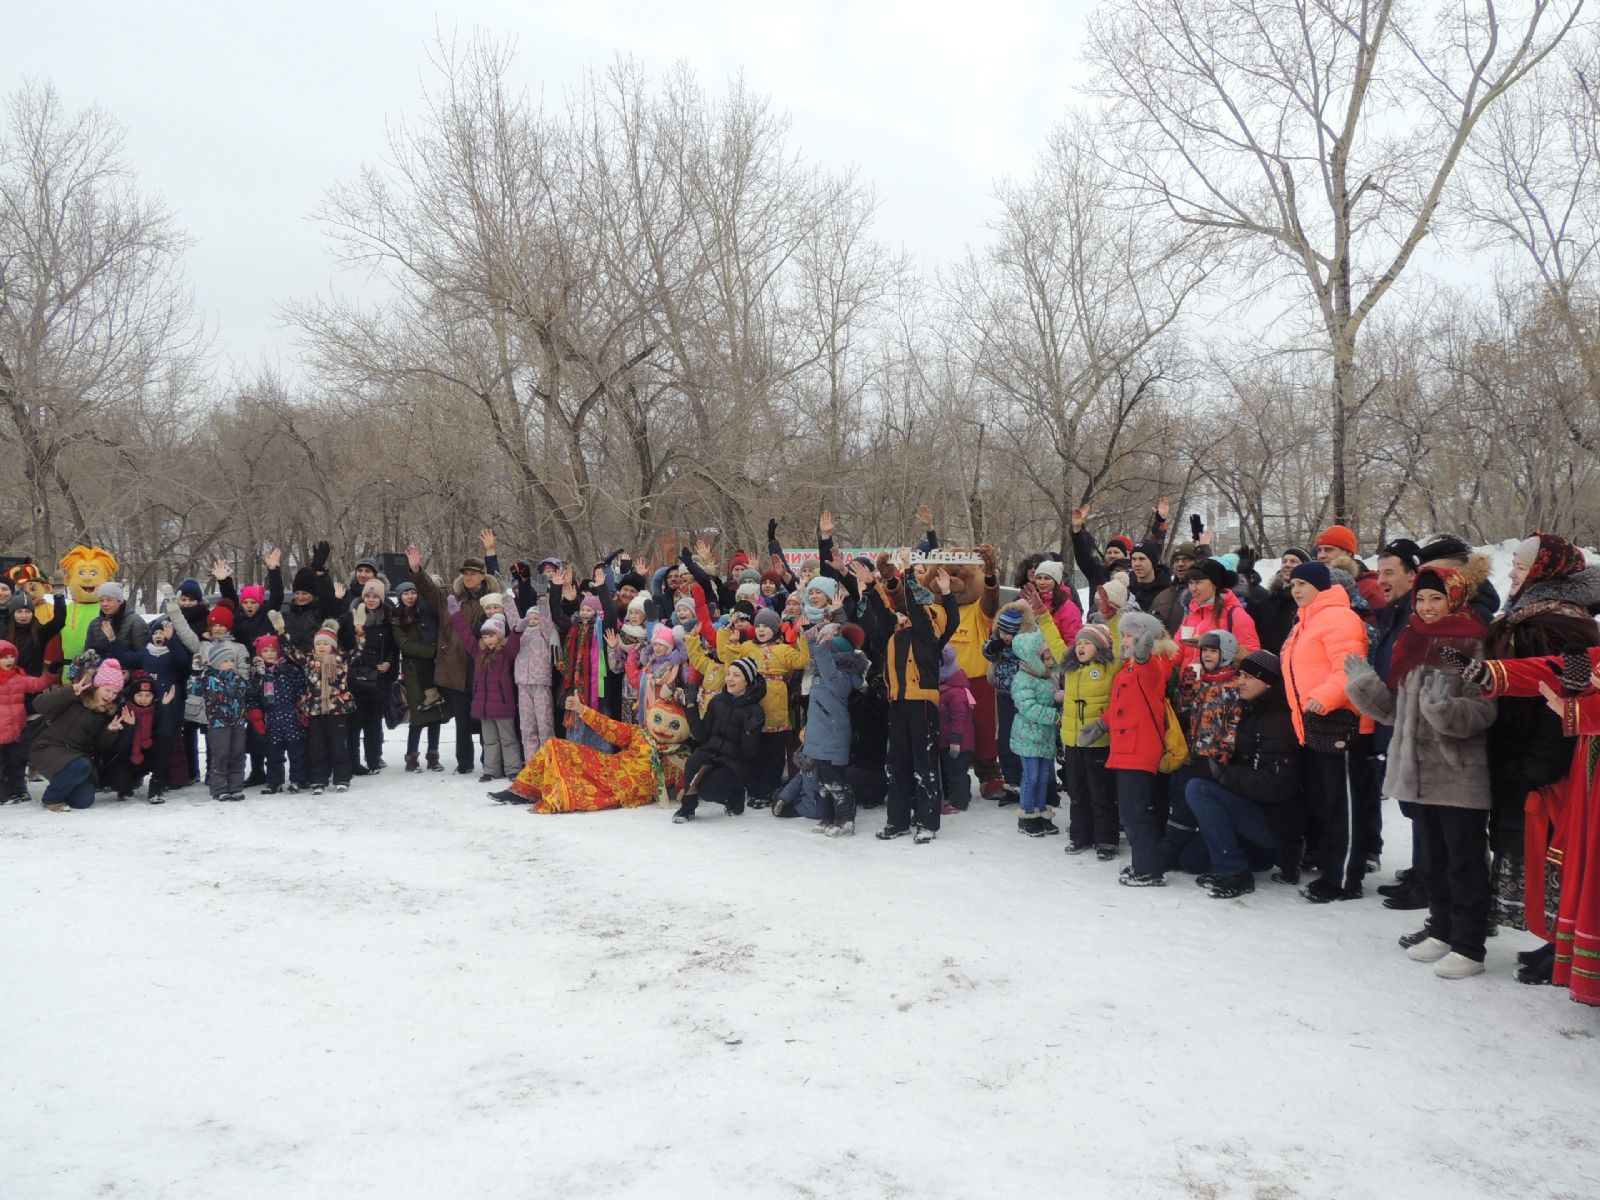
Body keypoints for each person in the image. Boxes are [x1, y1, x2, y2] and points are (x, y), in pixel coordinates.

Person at [1345, 565, 1496, 979]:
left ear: (1455, 598)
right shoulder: (1412, 639)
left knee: (1464, 863)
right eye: (1423, 599)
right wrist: (1364, 687)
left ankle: (1469, 945)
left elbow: (1485, 710)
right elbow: (1396, 710)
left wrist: (1445, 711)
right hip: (1416, 774)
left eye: (1437, 599)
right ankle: (1443, 929)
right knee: (1432, 861)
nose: (1428, 607)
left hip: (1457, 773)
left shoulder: (1473, 641)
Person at [1480, 533, 1600, 984]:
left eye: (1522, 565)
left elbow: (1562, 692)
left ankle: (1562, 944)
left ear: (1547, 571)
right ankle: (1554, 940)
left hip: (1547, 759)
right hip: (1516, 749)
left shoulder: (1562, 624)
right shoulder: (1526, 613)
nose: (1512, 573)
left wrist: (1539, 765)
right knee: (1529, 848)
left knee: (1554, 851)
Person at [1280, 561, 1374, 902]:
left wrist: (1323, 697)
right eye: (1293, 585)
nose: (1296, 590)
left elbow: (1350, 668)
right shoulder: (1304, 622)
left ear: (1322, 585)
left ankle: (1345, 879)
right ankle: (1333, 867)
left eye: (1303, 583)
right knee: (1328, 802)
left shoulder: (1339, 618)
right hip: (1314, 723)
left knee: (1343, 804)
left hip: (1341, 722)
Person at [857, 556, 960, 843]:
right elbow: (882, 610)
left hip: (922, 704)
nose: (905, 617)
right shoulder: (895, 633)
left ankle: (927, 821)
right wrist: (870, 585)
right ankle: (898, 820)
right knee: (897, 763)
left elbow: (917, 609)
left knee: (924, 763)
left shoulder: (927, 634)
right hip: (897, 703)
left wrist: (909, 576)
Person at [1186, 650, 1304, 898]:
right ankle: (1258, 856)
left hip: (1275, 820)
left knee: (1199, 789)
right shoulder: (1250, 711)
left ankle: (1235, 873)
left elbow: (1277, 785)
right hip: (1254, 810)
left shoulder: (1279, 721)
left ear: (1268, 683)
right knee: (1191, 861)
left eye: (1249, 676)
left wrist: (1220, 774)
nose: (1240, 681)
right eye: (1240, 674)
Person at [407, 535, 503, 775]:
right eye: (466, 573)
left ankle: (489, 762)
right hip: (455, 667)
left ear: (482, 575)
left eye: (474, 573)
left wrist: (491, 552)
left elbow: (502, 585)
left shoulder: (491, 599)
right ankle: (464, 762)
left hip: (485, 667)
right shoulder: (449, 596)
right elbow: (428, 588)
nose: (469, 577)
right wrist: (417, 570)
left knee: (484, 718)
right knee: (461, 719)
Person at [1096, 611, 1180, 886]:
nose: (1125, 640)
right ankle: (1146, 862)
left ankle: (1148, 869)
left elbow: (1152, 672)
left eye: (1131, 634)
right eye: (1124, 634)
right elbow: (1122, 706)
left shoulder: (1152, 664)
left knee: (1135, 812)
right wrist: (1101, 724)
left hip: (1139, 749)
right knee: (1135, 811)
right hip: (1125, 748)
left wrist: (1143, 655)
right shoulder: (1128, 668)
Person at [30, 656, 129, 811]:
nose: (110, 696)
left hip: (74, 755)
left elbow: (98, 747)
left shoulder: (108, 713)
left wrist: (109, 731)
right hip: (47, 747)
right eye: (107, 690)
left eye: (115, 692)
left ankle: (63, 781)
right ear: (97, 686)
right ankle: (52, 799)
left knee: (83, 800)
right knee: (81, 765)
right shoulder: (76, 695)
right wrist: (68, 692)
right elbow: (38, 705)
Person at [675, 658, 766, 822]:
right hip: (710, 752)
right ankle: (687, 809)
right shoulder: (717, 701)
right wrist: (690, 706)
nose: (729, 679)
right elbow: (701, 735)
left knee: (707, 791)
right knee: (692, 763)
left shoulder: (754, 710)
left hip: (734, 761)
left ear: (747, 681)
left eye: (736, 675)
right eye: (729, 674)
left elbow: (748, 753)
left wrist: (749, 732)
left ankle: (735, 796)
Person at [447, 598, 524, 784]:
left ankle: (513, 769)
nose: (488, 639)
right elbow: (465, 634)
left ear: (499, 636)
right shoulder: (477, 652)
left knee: (508, 739)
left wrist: (517, 630)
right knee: (489, 741)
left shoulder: (505, 653)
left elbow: (514, 642)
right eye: (486, 636)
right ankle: (491, 770)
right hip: (484, 708)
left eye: (492, 635)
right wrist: (456, 615)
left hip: (503, 707)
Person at [1060, 622, 1119, 859]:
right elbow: (1055, 643)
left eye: (1087, 643)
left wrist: (1111, 616)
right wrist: (1043, 616)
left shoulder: (1110, 667)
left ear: (1100, 646)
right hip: (1073, 742)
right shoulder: (1071, 668)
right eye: (1079, 643)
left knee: (1101, 792)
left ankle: (1106, 839)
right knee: (1077, 792)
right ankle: (1080, 835)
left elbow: (1117, 643)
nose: (1081, 647)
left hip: (1098, 742)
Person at [1009, 629, 1061, 837]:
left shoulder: (1048, 677)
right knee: (1031, 776)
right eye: (1045, 658)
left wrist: (1059, 698)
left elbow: (1050, 697)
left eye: (1050, 657)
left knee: (1044, 777)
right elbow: (1028, 707)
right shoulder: (1022, 679)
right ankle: (1027, 815)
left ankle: (1040, 812)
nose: (1050, 662)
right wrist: (1054, 716)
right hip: (1028, 737)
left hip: (1045, 736)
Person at [392, 580, 447, 772]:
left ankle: (433, 756)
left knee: (435, 715)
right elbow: (404, 644)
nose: (410, 596)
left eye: (413, 593)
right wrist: (431, 652)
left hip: (433, 670)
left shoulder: (427, 613)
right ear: (400, 596)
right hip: (414, 672)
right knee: (418, 717)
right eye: (405, 593)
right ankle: (411, 758)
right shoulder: (397, 617)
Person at [983, 602, 1035, 806]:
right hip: (1004, 693)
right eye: (1002, 631)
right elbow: (987, 650)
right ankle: (1011, 782)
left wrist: (1014, 644)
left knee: (1022, 740)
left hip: (1024, 696)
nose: (1005, 636)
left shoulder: (1028, 641)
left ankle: (1028, 782)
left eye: (1009, 633)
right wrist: (993, 647)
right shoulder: (998, 640)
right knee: (1004, 739)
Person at [348, 579, 399, 775]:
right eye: (367, 596)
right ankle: (353, 761)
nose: (370, 600)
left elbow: (394, 647)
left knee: (374, 721)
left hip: (379, 677)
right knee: (355, 722)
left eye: (375, 596)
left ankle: (373, 758)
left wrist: (389, 663)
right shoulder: (351, 617)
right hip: (356, 675)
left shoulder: (388, 618)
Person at [253, 624, 309, 794]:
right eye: (265, 651)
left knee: (296, 752)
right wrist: (256, 717)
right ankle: (274, 781)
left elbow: (301, 690)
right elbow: (252, 696)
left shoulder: (290, 670)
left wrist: (302, 709)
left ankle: (298, 779)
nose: (269, 654)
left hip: (292, 718)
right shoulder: (258, 675)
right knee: (273, 754)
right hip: (272, 720)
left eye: (272, 651)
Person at [0, 637, 56, 803]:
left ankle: (18, 790)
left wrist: (50, 673)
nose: (9, 660)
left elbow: (38, 684)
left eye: (11, 657)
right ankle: (2, 794)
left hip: (16, 729)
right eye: (4, 657)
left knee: (17, 763)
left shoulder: (19, 677)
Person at [1248, 548, 1308, 655]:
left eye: (1293, 561)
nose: (1287, 565)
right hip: (1267, 662)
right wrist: (1247, 579)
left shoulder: (1306, 601)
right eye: (1284, 561)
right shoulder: (1270, 597)